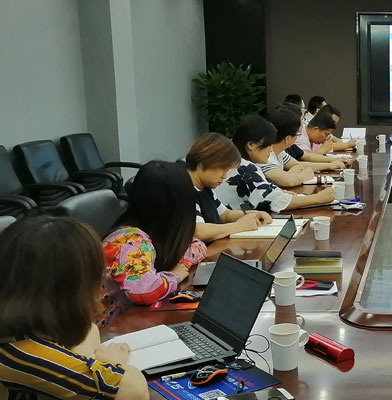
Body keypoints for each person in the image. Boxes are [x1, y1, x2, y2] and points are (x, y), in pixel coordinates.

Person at [0, 216, 148, 399]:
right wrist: (110, 362)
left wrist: (87, 358)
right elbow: (134, 391)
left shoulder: (19, 326)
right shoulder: (19, 351)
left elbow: (90, 330)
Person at [103, 161, 206, 306]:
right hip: (112, 318)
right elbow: (143, 291)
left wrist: (182, 264)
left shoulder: (155, 231)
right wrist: (175, 275)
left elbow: (198, 246)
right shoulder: (131, 241)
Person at [215, 115, 335, 212]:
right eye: (268, 145)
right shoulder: (244, 167)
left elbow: (266, 194)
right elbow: (278, 201)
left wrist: (276, 192)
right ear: (251, 144)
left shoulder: (232, 158)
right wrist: (318, 198)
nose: (271, 150)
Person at [185, 133, 272, 242]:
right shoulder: (184, 189)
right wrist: (239, 226)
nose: (224, 176)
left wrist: (253, 214)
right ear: (204, 162)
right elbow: (199, 231)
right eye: (223, 169)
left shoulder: (205, 188)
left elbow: (225, 215)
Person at [261, 106, 346, 188]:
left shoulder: (280, 152)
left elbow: (297, 165)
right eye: (298, 134)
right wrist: (305, 174)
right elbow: (289, 181)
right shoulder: (265, 158)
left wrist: (292, 175)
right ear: (287, 139)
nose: (298, 137)